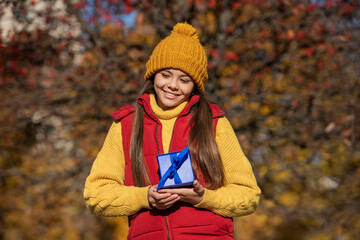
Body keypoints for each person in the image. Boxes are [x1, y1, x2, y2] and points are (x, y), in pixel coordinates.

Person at [84, 22, 261, 240]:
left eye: (184, 80)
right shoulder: (126, 124)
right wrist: (144, 197)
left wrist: (204, 198)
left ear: (194, 86)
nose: (173, 85)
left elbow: (248, 195)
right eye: (166, 75)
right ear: (153, 75)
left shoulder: (214, 122)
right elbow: (96, 195)